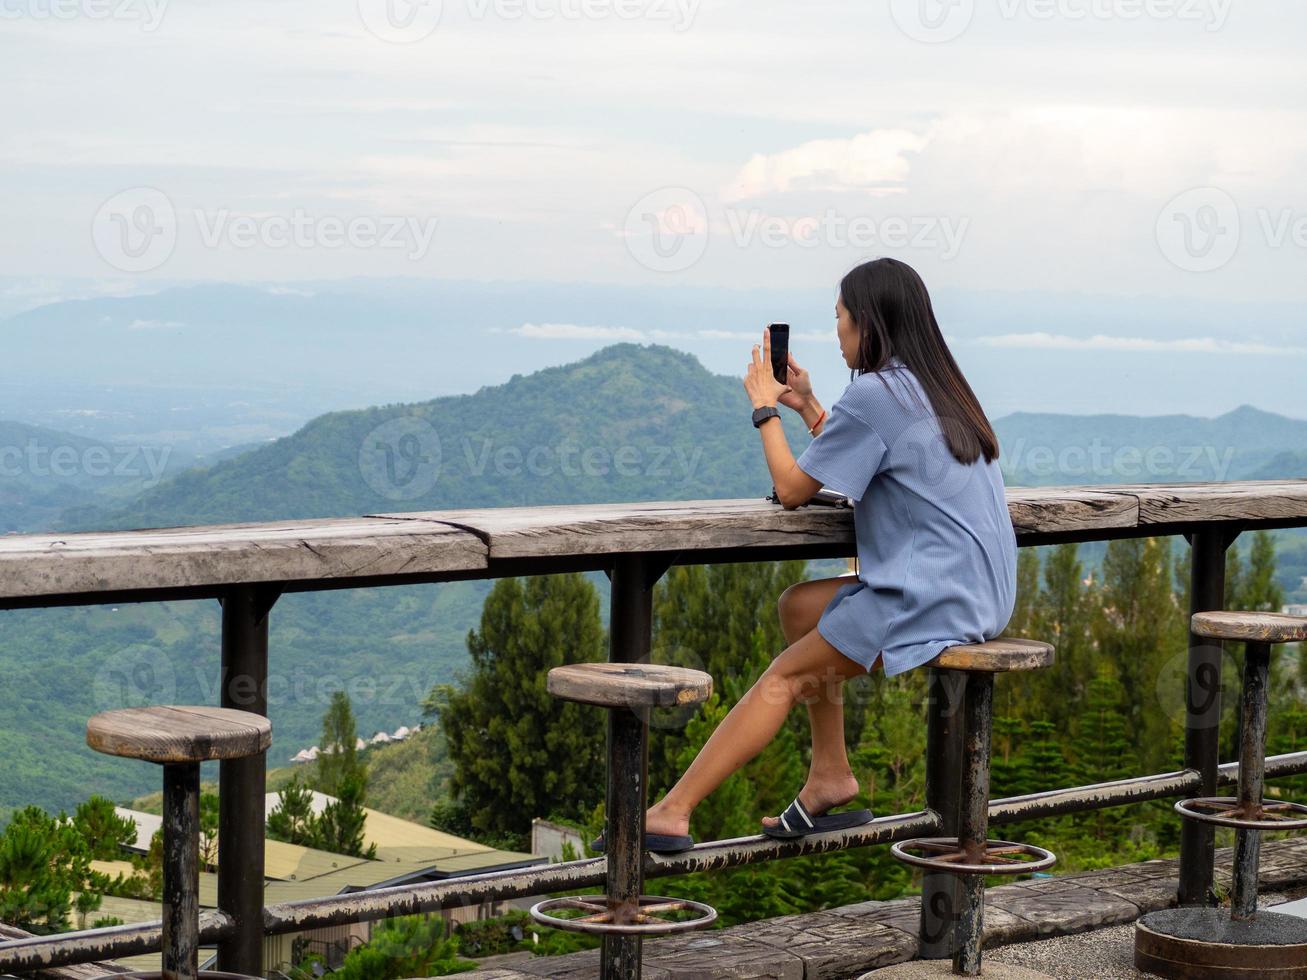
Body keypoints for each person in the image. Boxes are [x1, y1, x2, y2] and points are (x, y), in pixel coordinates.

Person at [598, 257, 1019, 853]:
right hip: (980, 591)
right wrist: (808, 408)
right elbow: (869, 460)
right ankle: (830, 776)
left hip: (929, 595)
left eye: (841, 319)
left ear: (868, 324)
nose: (838, 333)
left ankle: (671, 810)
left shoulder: (877, 393)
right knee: (801, 609)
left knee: (784, 677)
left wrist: (764, 408)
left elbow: (794, 491)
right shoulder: (936, 385)